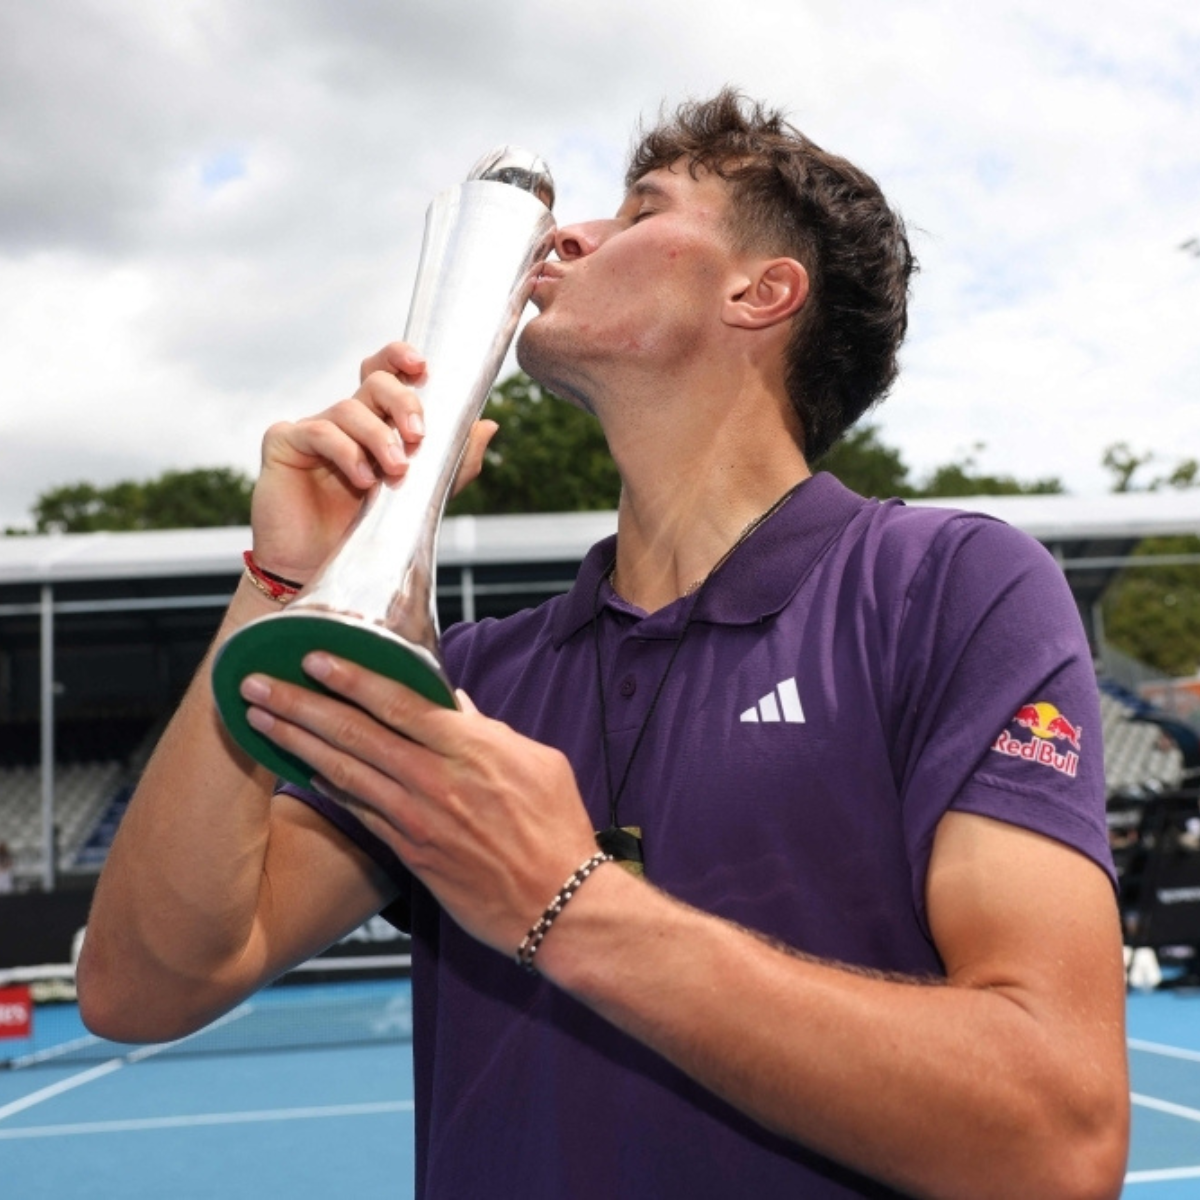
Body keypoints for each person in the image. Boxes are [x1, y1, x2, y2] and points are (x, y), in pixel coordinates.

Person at [78, 91, 1129, 1198]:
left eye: (639, 210)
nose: (565, 237)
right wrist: (288, 582)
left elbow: (1056, 1140)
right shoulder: (472, 678)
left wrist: (563, 901)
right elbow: (142, 988)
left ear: (762, 292)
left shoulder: (946, 588)